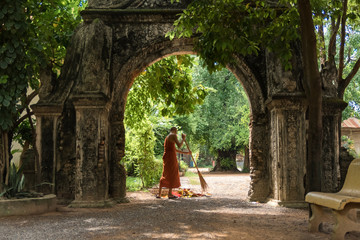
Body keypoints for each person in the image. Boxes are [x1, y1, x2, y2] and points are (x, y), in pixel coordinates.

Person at [157, 127, 191, 199]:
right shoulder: (173, 135)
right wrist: (183, 139)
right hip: (171, 157)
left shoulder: (168, 137)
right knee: (172, 173)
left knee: (166, 174)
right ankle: (169, 194)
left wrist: (186, 153)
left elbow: (174, 149)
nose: (176, 133)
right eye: (176, 131)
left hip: (167, 156)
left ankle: (160, 194)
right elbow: (179, 146)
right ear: (174, 130)